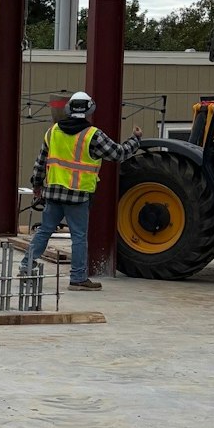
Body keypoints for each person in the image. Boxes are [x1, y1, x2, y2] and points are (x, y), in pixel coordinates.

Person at [21, 91, 141, 292]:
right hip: (77, 196)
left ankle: (26, 267)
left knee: (44, 230)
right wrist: (135, 140)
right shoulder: (92, 135)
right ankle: (77, 278)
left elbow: (40, 162)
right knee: (78, 236)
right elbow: (118, 154)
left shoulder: (53, 132)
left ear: (69, 109)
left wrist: (37, 185)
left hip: (53, 193)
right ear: (89, 109)